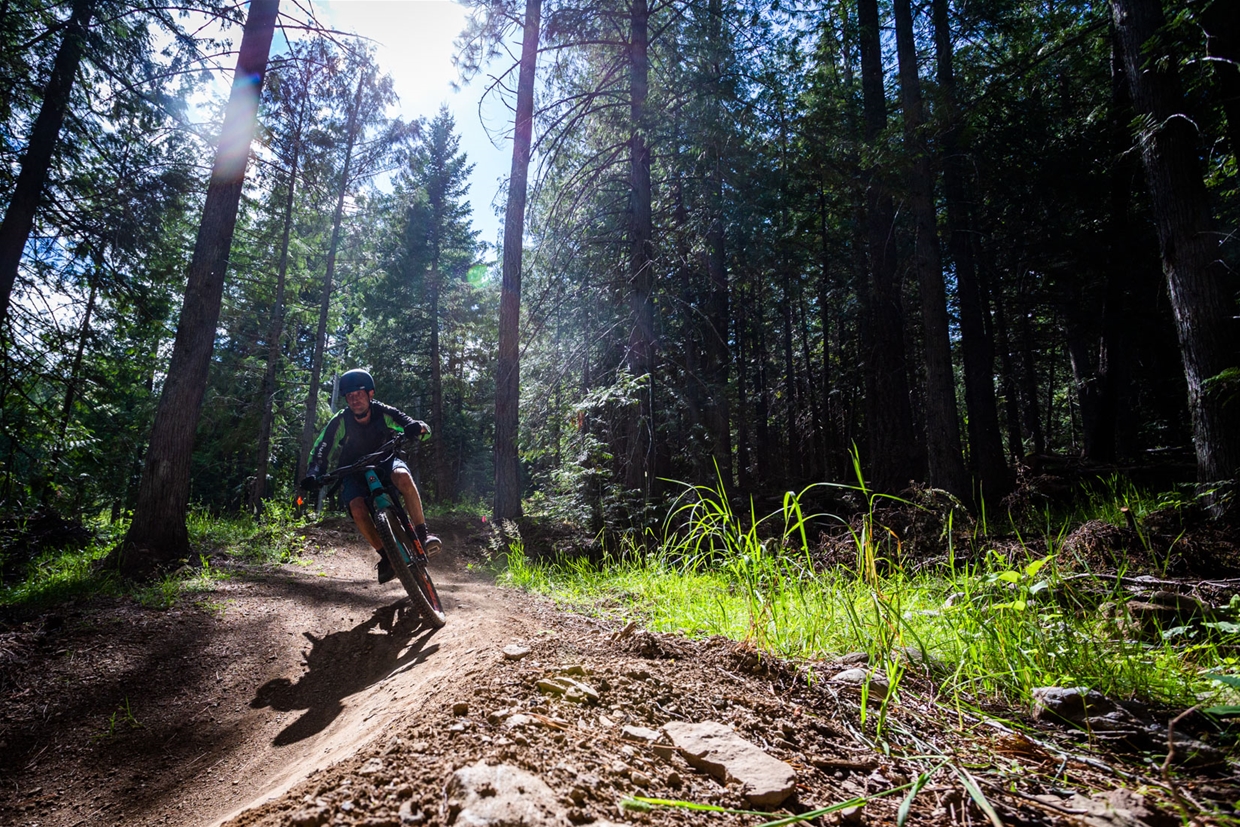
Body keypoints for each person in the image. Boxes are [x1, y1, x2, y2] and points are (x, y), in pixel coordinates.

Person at [301, 369, 441, 583]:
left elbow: (415, 425)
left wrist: (417, 428)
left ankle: (423, 534)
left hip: (385, 461)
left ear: (370, 394)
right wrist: (314, 471)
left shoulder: (383, 412)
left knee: (403, 476)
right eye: (349, 396)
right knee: (357, 509)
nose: (354, 399)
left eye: (358, 394)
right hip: (353, 471)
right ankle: (387, 556)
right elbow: (322, 448)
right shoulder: (341, 421)